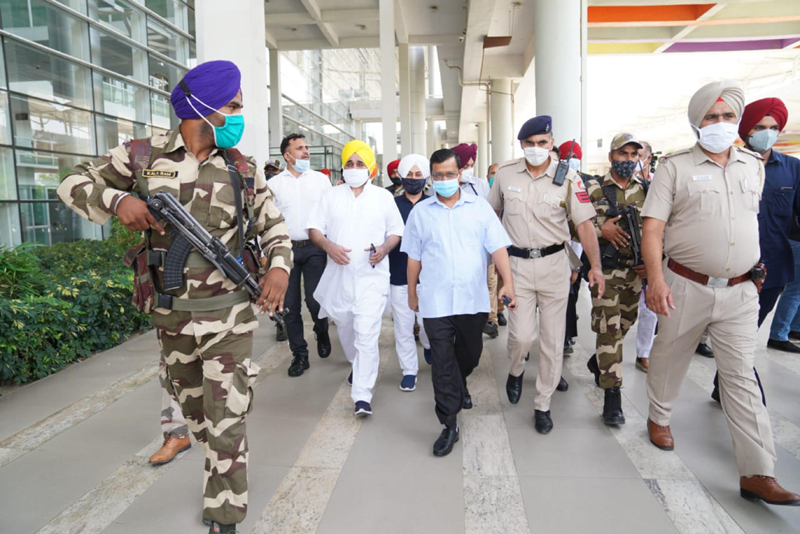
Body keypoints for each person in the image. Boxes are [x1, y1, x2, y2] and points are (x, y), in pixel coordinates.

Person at [57, 60, 293, 532]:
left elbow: (273, 227)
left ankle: (225, 513)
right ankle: (213, 440)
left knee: (226, 419)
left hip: (229, 315)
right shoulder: (142, 157)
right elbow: (71, 182)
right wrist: (119, 200)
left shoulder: (242, 168)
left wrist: (281, 267)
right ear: (203, 108)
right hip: (171, 315)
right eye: (233, 106)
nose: (240, 115)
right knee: (195, 411)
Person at [642, 80, 799, 506]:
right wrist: (656, 281)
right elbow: (653, 228)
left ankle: (758, 472)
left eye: (728, 116)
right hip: (685, 285)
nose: (721, 124)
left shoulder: (753, 165)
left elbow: (748, 223)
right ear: (697, 123)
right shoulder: (674, 167)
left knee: (741, 377)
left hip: (741, 291)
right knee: (669, 356)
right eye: (712, 117)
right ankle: (659, 416)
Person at [488, 115, 605, 435]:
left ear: (552, 143)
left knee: (553, 342)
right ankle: (516, 370)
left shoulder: (569, 178)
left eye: (543, 143)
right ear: (521, 145)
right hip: (517, 268)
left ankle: (542, 403)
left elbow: (584, 225)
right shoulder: (506, 174)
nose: (536, 149)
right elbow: (491, 217)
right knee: (521, 336)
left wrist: (594, 266)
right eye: (530, 143)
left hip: (555, 266)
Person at [402, 148, 517, 457]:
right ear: (431, 177)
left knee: (470, 354)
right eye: (437, 175)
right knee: (440, 361)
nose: (444, 180)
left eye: (449, 174)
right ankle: (449, 422)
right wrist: (412, 292)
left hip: (472, 299)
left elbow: (498, 249)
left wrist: (508, 282)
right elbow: (413, 258)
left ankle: (460, 382)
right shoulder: (421, 213)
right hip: (435, 301)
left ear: (460, 174)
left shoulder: (479, 208)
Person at [308, 140, 404, 417]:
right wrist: (329, 247)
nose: (354, 168)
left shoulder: (383, 198)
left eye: (359, 163)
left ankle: (362, 395)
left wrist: (383, 250)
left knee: (366, 334)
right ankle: (357, 364)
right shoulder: (331, 196)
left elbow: (396, 232)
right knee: (347, 329)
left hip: (372, 278)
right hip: (339, 278)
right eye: (349, 163)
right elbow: (315, 229)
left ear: (371, 168)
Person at [584, 133, 647, 425]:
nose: (628, 160)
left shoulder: (647, 189)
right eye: (623, 154)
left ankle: (599, 362)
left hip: (635, 272)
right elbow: (574, 226)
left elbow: (658, 230)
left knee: (623, 326)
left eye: (634, 155)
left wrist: (652, 264)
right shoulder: (591, 188)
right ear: (611, 157)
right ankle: (613, 398)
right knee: (609, 331)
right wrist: (601, 231)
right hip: (605, 271)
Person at [269, 133, 333, 378]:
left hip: (315, 248)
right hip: (285, 251)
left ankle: (322, 328)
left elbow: (331, 215)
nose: (306, 152)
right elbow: (265, 219)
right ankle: (300, 355)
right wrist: (267, 255)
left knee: (316, 300)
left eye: (307, 147)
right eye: (300, 148)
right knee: (289, 306)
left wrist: (330, 246)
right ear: (287, 155)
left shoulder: (321, 181)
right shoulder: (274, 184)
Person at [388, 154, 432, 391]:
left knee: (426, 324)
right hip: (398, 274)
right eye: (409, 174)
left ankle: (427, 344)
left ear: (425, 177)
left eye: (418, 175)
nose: (413, 179)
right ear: (401, 176)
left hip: (429, 277)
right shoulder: (392, 205)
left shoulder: (433, 204)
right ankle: (409, 371)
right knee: (403, 327)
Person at [558, 141, 587, 357]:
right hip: (555, 250)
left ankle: (567, 336)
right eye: (567, 158)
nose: (570, 162)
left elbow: (583, 226)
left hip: (577, 251)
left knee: (571, 296)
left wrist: (575, 264)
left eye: (574, 157)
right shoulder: (555, 182)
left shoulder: (585, 183)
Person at [633, 141, 657, 371]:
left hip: (650, 255)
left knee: (650, 308)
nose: (632, 160)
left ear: (648, 158)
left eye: (638, 155)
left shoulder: (657, 184)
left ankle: (644, 352)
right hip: (623, 255)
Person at [486, 162, 506, 329]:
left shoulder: (509, 193)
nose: (495, 177)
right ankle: (492, 318)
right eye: (493, 174)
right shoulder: (483, 196)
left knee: (502, 280)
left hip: (509, 246)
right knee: (491, 281)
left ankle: (499, 310)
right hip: (491, 246)